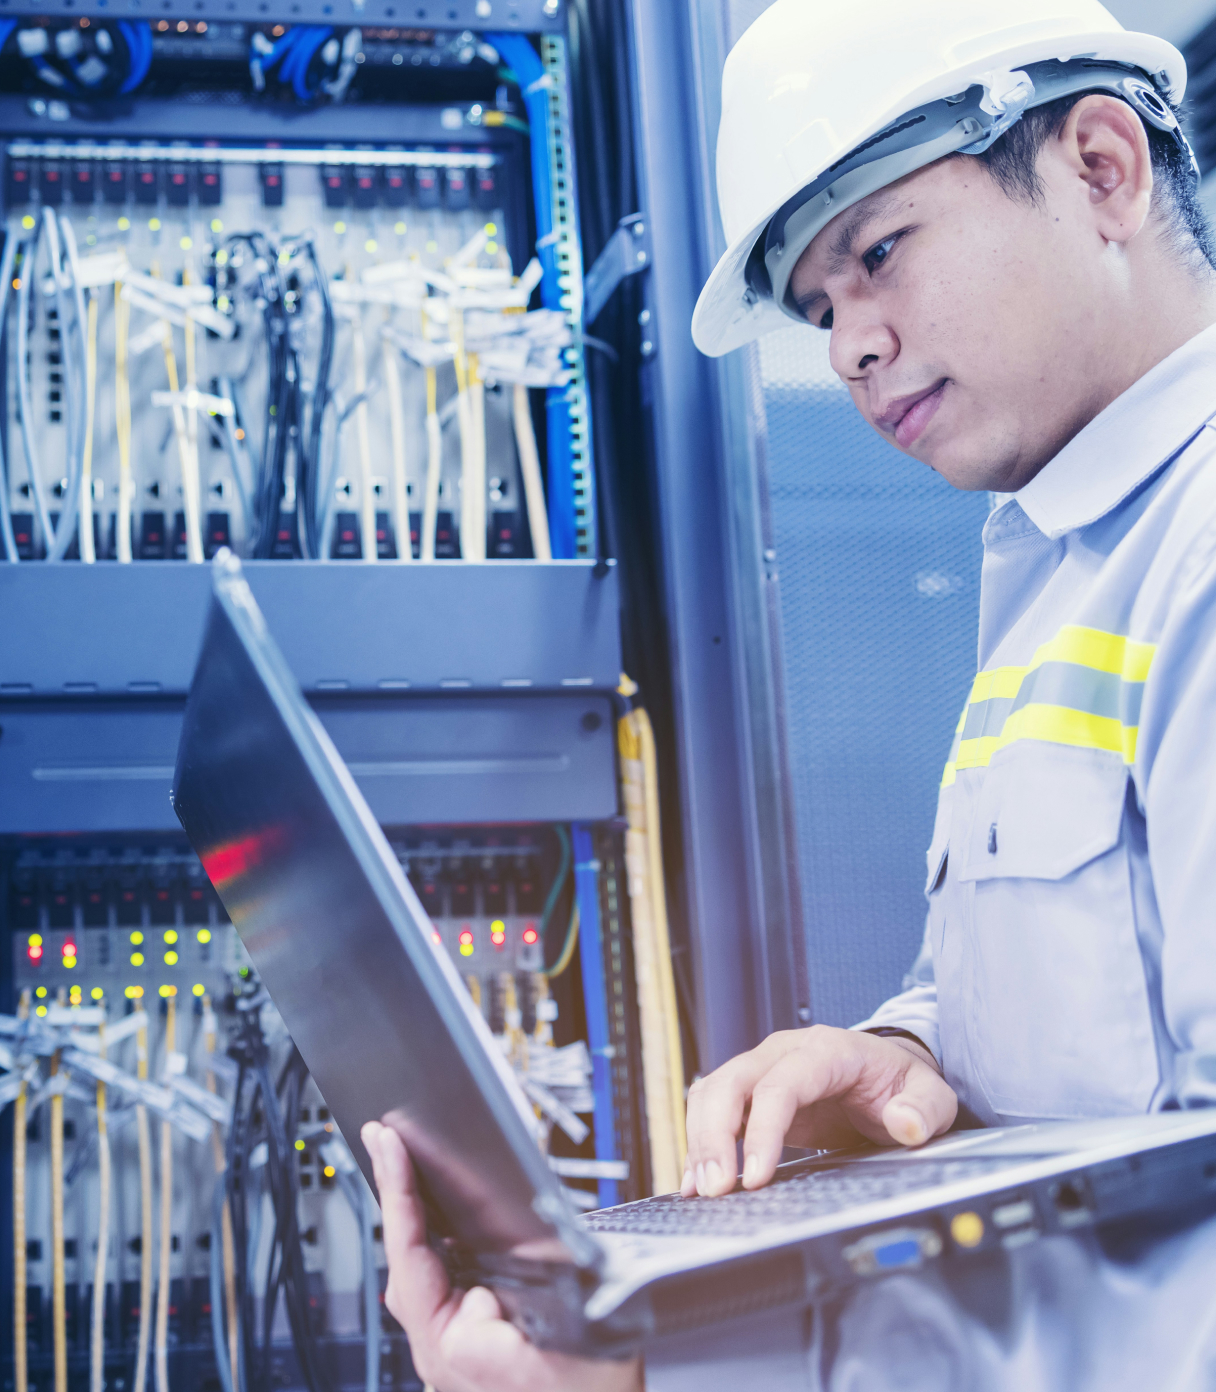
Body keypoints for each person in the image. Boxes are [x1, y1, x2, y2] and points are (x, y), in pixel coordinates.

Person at [367, 0, 1216, 1384]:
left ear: (1102, 169)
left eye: (880, 253)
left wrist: (708, 1368)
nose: (849, 347)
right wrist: (905, 1058)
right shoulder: (1061, 557)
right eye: (822, 307)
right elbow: (1097, 1025)